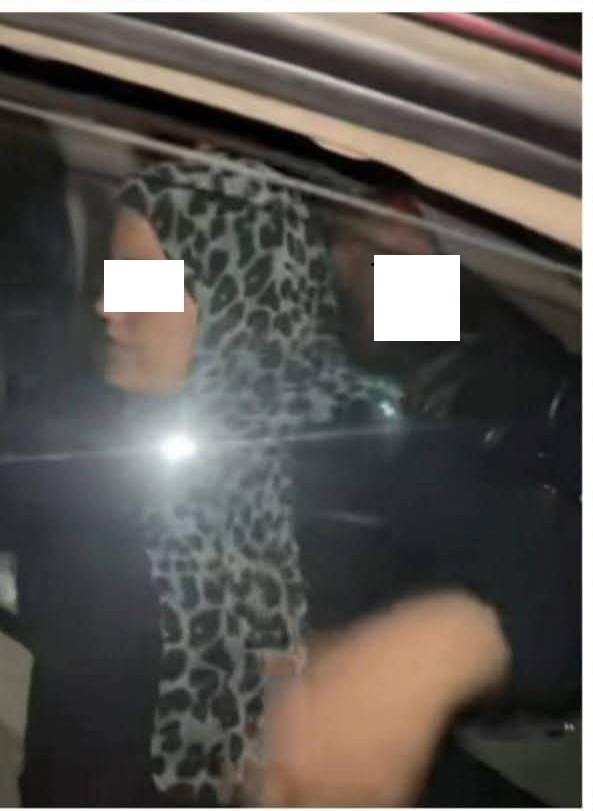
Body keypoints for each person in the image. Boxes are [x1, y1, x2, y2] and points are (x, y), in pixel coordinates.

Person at [0, 154, 400, 806]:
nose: (106, 307)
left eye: (144, 285)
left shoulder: (348, 475)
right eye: (112, 277)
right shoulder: (78, 443)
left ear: (238, 299)